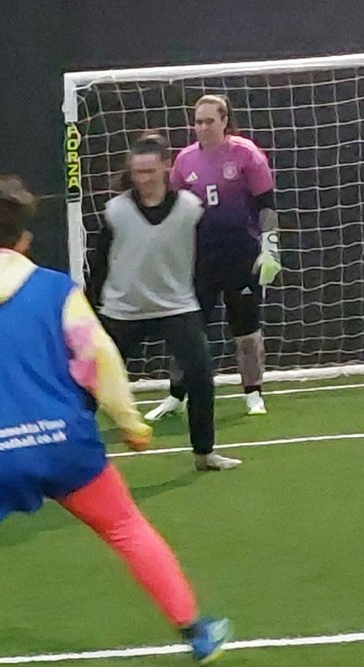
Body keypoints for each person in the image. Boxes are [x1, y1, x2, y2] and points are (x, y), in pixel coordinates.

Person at [0, 175, 231, 667]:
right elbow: (98, 358)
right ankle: (197, 632)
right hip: (59, 443)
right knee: (126, 528)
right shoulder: (54, 291)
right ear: (24, 240)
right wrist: (130, 422)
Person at [87, 134, 241, 472]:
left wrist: (200, 299)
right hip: (122, 310)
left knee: (200, 375)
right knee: (89, 384)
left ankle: (205, 454)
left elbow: (205, 257)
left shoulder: (190, 208)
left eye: (150, 171)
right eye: (137, 171)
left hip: (176, 306)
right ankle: (69, 457)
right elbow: (98, 264)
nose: (143, 178)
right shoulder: (116, 211)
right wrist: (91, 309)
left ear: (166, 168)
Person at [146, 94, 282, 420]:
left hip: (242, 255)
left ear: (224, 121)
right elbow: (174, 210)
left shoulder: (247, 154)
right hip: (200, 259)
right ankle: (176, 395)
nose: (203, 127)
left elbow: (267, 205)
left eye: (209, 120)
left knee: (246, 328)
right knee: (186, 328)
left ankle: (253, 394)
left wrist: (271, 247)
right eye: (198, 121)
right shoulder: (184, 161)